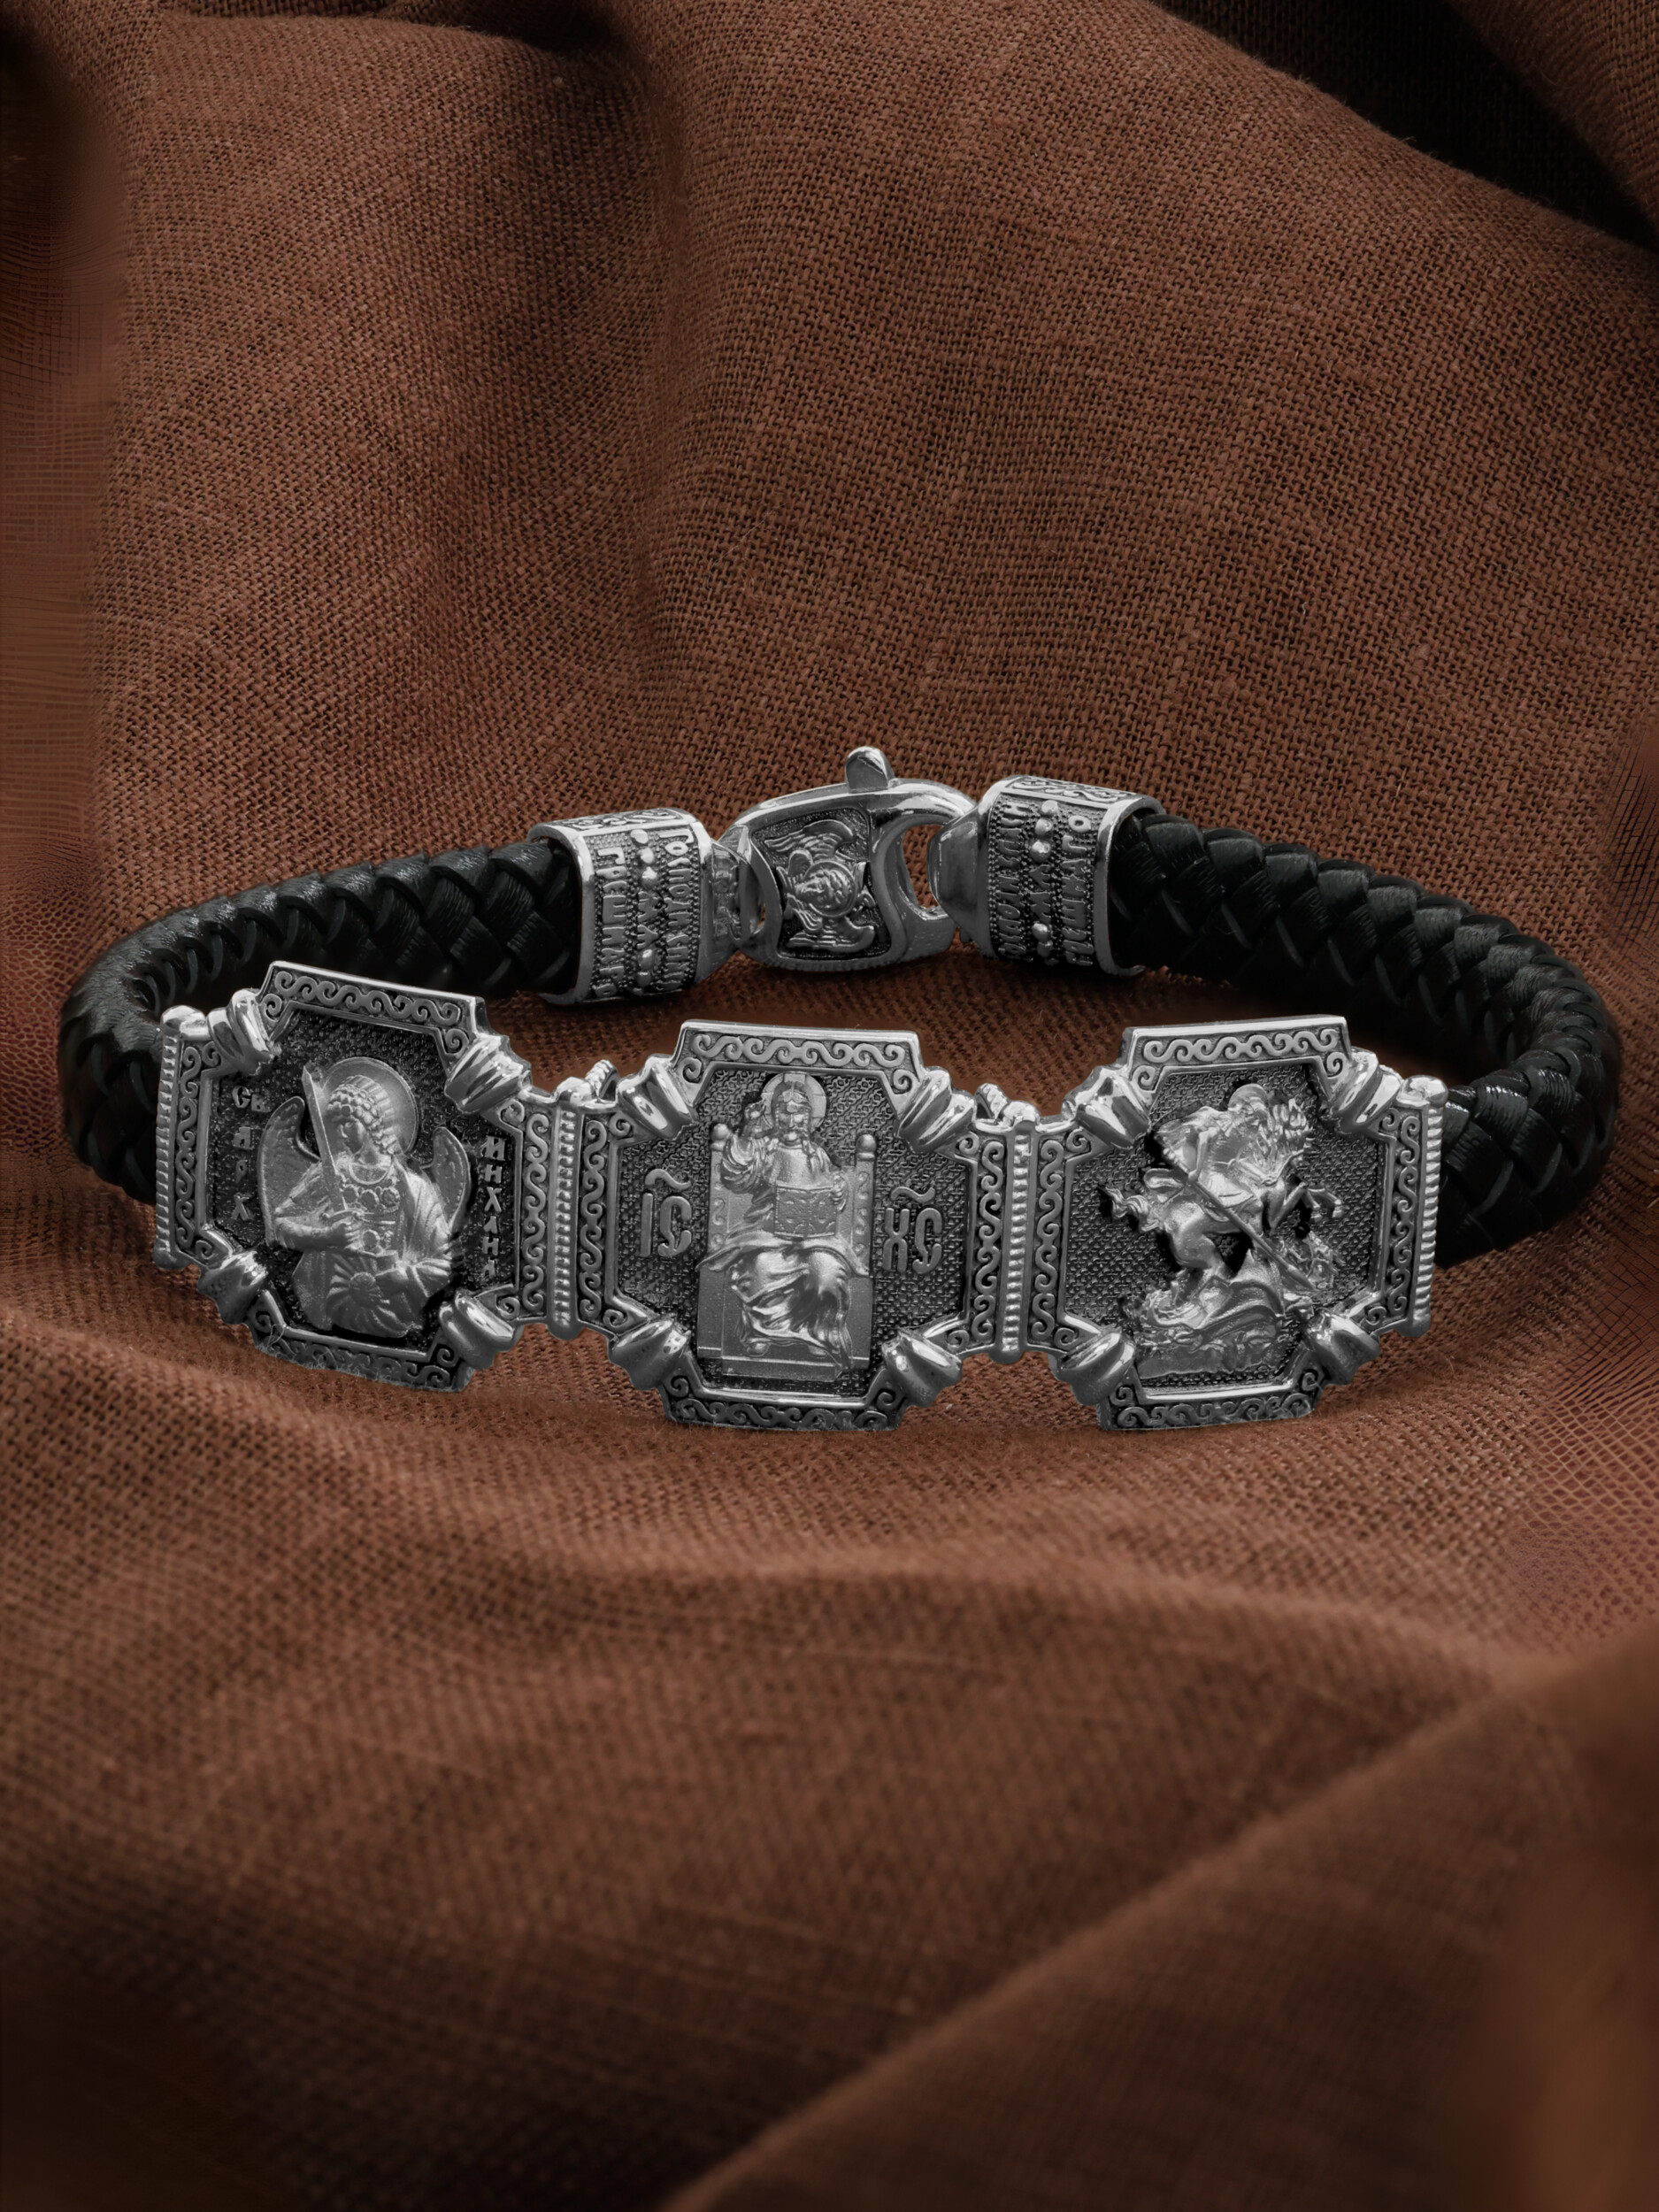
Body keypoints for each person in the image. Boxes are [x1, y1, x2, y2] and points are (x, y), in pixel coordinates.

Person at [1110, 1081, 1341, 1375]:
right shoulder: (1219, 1120)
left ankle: (1244, 1262)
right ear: (1243, 1110)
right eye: (1253, 1117)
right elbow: (1204, 1139)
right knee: (1251, 1205)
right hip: (1211, 1179)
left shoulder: (1246, 1132)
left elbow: (1239, 1162)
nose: (1254, 1123)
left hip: (1226, 1177)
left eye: (1258, 1120)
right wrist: (1195, 1170)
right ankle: (1255, 1248)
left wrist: (1265, 1177)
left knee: (1254, 1202)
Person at [261, 1062, 457, 1340]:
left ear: (373, 1121)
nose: (341, 1133)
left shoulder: (413, 1187)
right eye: (337, 1124)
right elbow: (280, 1224)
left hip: (393, 1313)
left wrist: (406, 1277)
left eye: (349, 1123)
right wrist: (325, 1237)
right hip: (333, 1304)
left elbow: (443, 1263)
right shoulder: (330, 1174)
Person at [707, 1071, 855, 1364]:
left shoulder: (817, 1155)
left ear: (809, 1118)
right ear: (773, 1116)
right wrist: (747, 1133)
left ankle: (818, 1334)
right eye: (783, 1113)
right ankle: (761, 1333)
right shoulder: (763, 1150)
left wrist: (839, 1188)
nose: (791, 1120)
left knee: (826, 1274)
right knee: (762, 1268)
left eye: (799, 1113)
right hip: (766, 1234)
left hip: (813, 1239)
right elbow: (735, 1176)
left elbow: (834, 1184)